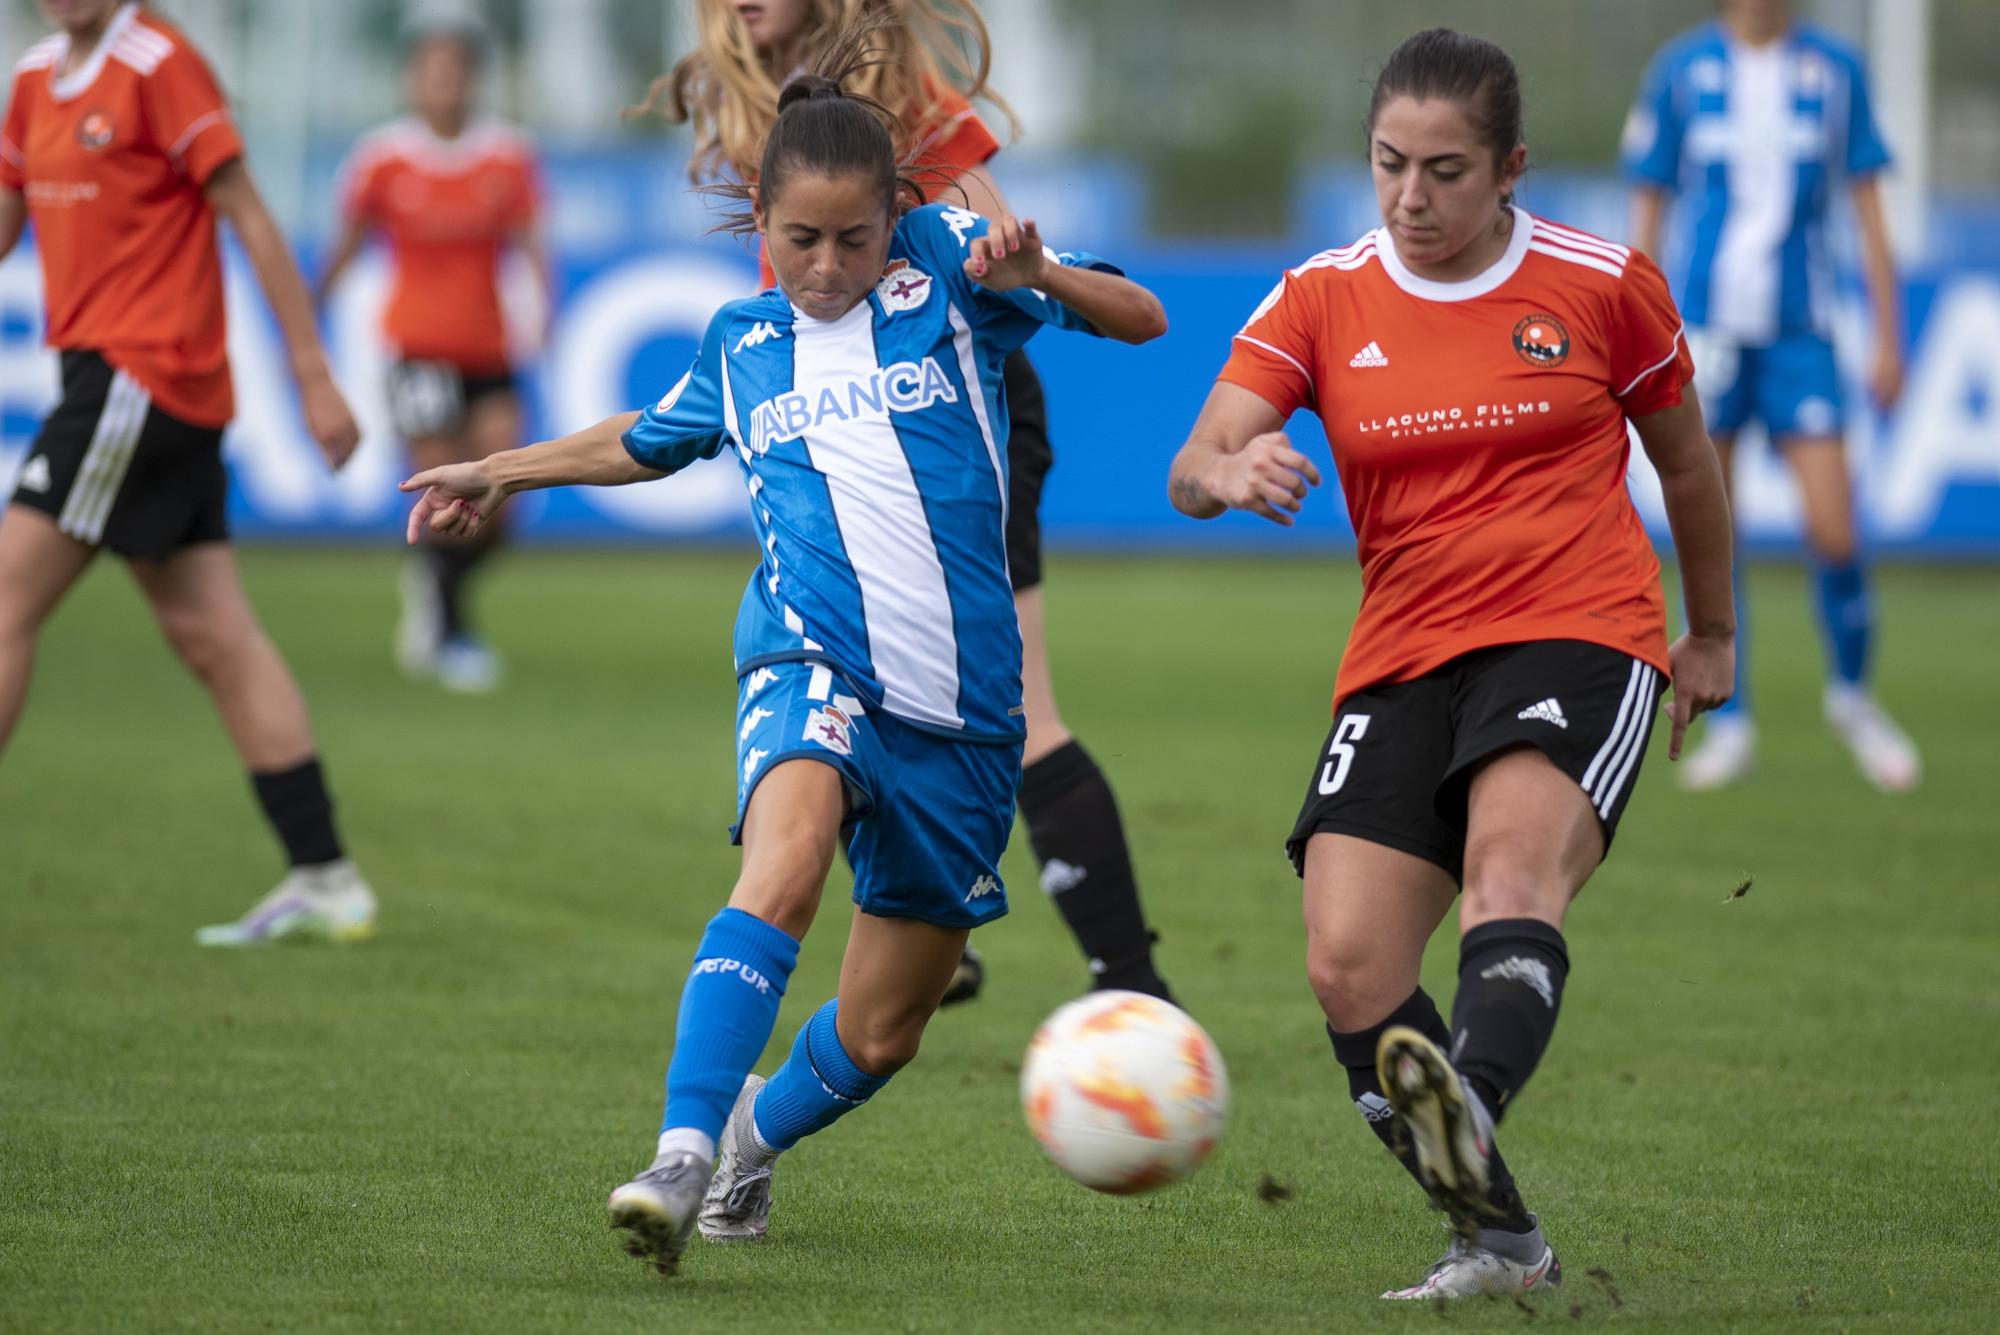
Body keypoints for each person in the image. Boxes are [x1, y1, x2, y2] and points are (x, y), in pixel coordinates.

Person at [400, 48, 1165, 1276]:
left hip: (963, 717)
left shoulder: (954, 285)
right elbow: (645, 441)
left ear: (893, 220)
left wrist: (1041, 272)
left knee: (884, 1028)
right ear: (759, 224)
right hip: (808, 654)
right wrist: (497, 468)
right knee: (788, 858)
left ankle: (750, 1141)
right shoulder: (744, 338)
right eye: (798, 239)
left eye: (852, 241)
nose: (824, 269)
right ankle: (678, 1152)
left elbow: (1143, 320)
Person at [1168, 28, 1734, 1301]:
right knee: (1347, 964)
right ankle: (1500, 1241)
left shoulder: (1601, 285)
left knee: (1506, 869)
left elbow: (1686, 464)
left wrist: (1710, 631)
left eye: (1444, 171)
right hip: (1404, 650)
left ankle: (1463, 1102)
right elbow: (1192, 462)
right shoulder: (1321, 295)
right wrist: (1228, 470)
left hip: (1577, 627)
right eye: (1388, 166)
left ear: (1509, 169)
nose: (1410, 199)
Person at [638, 0, 1175, 1003]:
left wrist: (1022, 268)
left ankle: (1133, 991)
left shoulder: (906, 100)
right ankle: (943, 923)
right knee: (847, 683)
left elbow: (996, 240)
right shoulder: (758, 100)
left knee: (1023, 709)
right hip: (836, 426)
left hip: (949, 413)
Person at [0, 0, 376, 946]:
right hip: (130, 385)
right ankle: (327, 875)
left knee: (5, 603)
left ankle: (325, 873)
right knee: (215, 633)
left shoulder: (157, 61)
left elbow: (248, 217)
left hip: (142, 376)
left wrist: (313, 376)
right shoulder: (34, 79)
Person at [1623, 0, 1919, 792]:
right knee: (1714, 526)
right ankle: (1733, 718)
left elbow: (1868, 210)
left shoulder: (1835, 71)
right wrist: (1635, 329)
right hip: (1709, 332)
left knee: (1835, 528)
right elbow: (1649, 205)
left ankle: (1853, 697)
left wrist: (1889, 335)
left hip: (1803, 334)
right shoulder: (1680, 70)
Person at [318, 20, 546, 694]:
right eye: (430, 69)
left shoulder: (507, 156)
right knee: (447, 490)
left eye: (455, 70)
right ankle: (449, 633)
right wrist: (304, 330)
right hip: (416, 348)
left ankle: (431, 580)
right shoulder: (381, 159)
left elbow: (534, 246)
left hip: (491, 346)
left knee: (503, 499)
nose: (442, 83)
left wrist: (545, 312)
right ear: (412, 78)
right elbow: (345, 247)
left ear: (473, 78)